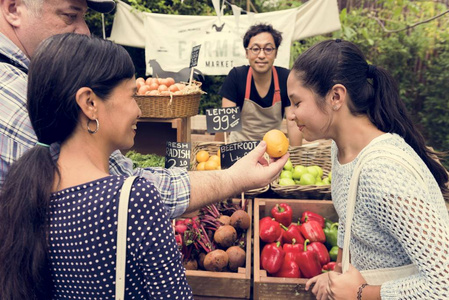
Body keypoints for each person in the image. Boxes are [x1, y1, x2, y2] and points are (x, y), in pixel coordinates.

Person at [0, 32, 286, 299]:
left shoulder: (23, 187)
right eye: (131, 95)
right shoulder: (132, 200)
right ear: (90, 103)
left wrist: (235, 176)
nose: (139, 109)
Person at [0, 0, 286, 219]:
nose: (84, 30)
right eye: (69, 15)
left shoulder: (32, 82)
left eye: (84, 17)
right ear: (14, 8)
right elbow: (124, 188)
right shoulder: (10, 98)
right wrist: (233, 177)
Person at [286, 39, 449, 299]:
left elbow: (444, 284)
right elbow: (349, 220)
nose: (290, 115)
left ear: (336, 96)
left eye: (296, 103)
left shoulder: (382, 173)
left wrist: (361, 292)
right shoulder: (338, 149)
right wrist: (337, 274)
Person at [215, 23, 303, 146]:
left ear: (276, 53)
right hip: (238, 150)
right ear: (247, 53)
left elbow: (293, 121)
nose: (261, 55)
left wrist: (296, 157)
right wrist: (217, 157)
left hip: (272, 151)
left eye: (268, 49)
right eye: (255, 49)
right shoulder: (237, 76)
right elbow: (224, 123)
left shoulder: (285, 78)